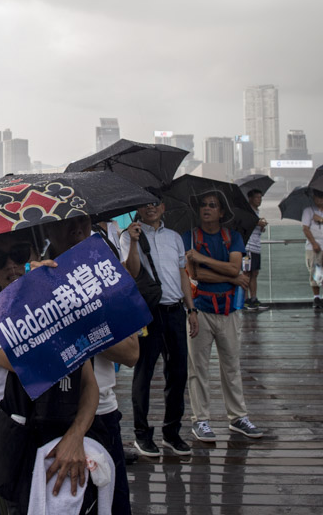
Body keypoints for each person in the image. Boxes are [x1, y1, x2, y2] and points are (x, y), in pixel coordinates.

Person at [0, 229, 100, 514]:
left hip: (60, 452)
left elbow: (89, 384)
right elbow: (33, 362)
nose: (11, 265)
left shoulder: (63, 308)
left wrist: (76, 436)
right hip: (6, 458)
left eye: (19, 253)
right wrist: (43, 291)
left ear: (37, 254)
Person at [43, 215, 140, 515]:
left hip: (102, 413)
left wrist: (76, 323)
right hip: (49, 417)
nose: (77, 230)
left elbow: (131, 352)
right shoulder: (35, 278)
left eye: (84, 223)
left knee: (113, 504)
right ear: (47, 228)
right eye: (65, 223)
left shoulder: (107, 274)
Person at [119, 195, 197, 457]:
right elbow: (130, 271)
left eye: (156, 202)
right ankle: (142, 434)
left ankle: (172, 432)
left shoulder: (175, 237)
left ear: (164, 207)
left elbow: (183, 276)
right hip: (149, 313)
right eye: (145, 202)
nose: (151, 206)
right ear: (138, 207)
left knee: (178, 374)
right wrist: (132, 240)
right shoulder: (128, 236)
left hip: (175, 311)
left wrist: (192, 309)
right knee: (144, 373)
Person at [185, 190, 263, 442]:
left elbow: (234, 266)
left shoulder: (233, 237)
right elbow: (195, 275)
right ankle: (201, 420)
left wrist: (202, 258)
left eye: (212, 205)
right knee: (198, 368)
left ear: (221, 212)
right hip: (199, 309)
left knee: (231, 365)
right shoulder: (190, 237)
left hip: (229, 310)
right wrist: (231, 277)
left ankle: (238, 416)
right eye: (203, 205)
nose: (206, 209)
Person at [243, 188, 269, 311]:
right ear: (250, 199)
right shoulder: (247, 211)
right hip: (248, 248)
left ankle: (254, 298)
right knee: (246, 272)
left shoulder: (256, 212)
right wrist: (258, 223)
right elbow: (245, 224)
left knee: (254, 273)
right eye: (257, 198)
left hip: (256, 247)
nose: (259, 200)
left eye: (260, 198)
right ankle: (245, 299)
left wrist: (261, 226)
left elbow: (256, 226)